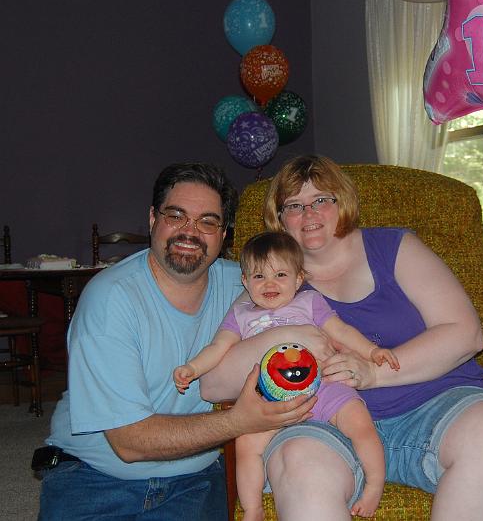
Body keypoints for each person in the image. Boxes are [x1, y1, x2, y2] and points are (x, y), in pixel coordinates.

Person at [200, 155, 483, 521]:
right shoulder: (269, 283)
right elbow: (212, 385)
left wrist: (374, 373)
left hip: (436, 406)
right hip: (321, 422)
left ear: (343, 202)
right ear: (279, 219)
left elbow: (466, 334)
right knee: (301, 466)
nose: (309, 214)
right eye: (294, 205)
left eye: (322, 199)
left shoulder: (394, 248)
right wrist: (292, 334)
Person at [36, 162, 318, 521]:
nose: (190, 231)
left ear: (224, 234)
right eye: (176, 215)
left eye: (208, 221)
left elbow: (319, 297)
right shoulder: (111, 299)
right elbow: (130, 442)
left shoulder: (248, 285)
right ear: (153, 219)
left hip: (193, 479)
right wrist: (240, 421)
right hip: (96, 478)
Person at [174, 231, 399, 520]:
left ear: (298, 278)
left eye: (280, 274)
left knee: (360, 423)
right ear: (245, 281)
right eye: (258, 277)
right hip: (268, 397)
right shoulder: (241, 315)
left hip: (324, 384)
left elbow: (340, 331)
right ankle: (253, 507)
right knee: (245, 445)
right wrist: (193, 368)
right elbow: (218, 348)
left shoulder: (309, 303)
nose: (269, 284)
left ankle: (374, 484)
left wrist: (371, 351)